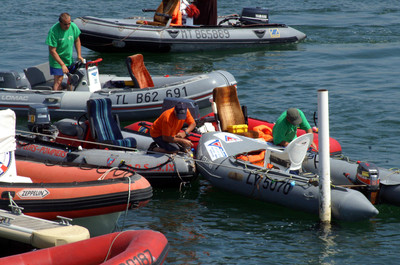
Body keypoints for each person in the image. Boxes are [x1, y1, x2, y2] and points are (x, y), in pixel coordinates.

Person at [45, 13, 84, 91]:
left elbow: (77, 40)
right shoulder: (53, 31)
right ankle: (54, 97)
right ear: (60, 22)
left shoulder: (73, 26)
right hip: (57, 60)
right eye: (65, 24)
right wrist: (62, 64)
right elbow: (52, 51)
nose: (68, 26)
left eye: (69, 23)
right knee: (58, 80)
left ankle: (69, 96)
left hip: (69, 58)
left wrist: (79, 55)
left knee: (71, 80)